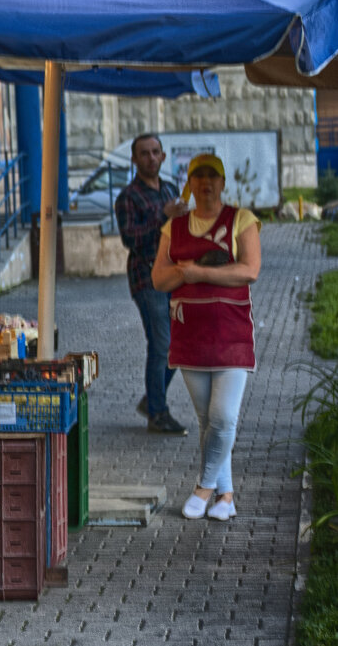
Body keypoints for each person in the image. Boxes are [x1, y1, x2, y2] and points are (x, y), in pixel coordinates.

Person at [151, 153, 261, 521]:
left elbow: (250, 270)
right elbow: (158, 279)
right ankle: (226, 497)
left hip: (231, 335)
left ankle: (203, 487)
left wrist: (199, 272)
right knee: (207, 421)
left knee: (224, 417)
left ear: (223, 182)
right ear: (191, 184)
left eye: (213, 175)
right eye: (198, 176)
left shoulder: (240, 219)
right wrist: (184, 275)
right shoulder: (174, 228)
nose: (206, 183)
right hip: (189, 336)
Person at [114, 133, 189, 435]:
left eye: (155, 152)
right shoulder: (128, 197)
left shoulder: (170, 189)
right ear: (134, 159)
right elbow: (131, 239)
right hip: (147, 277)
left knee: (179, 346)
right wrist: (164, 216)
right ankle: (158, 413)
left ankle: (152, 399)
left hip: (175, 274)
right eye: (144, 153)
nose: (151, 158)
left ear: (164, 156)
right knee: (162, 345)